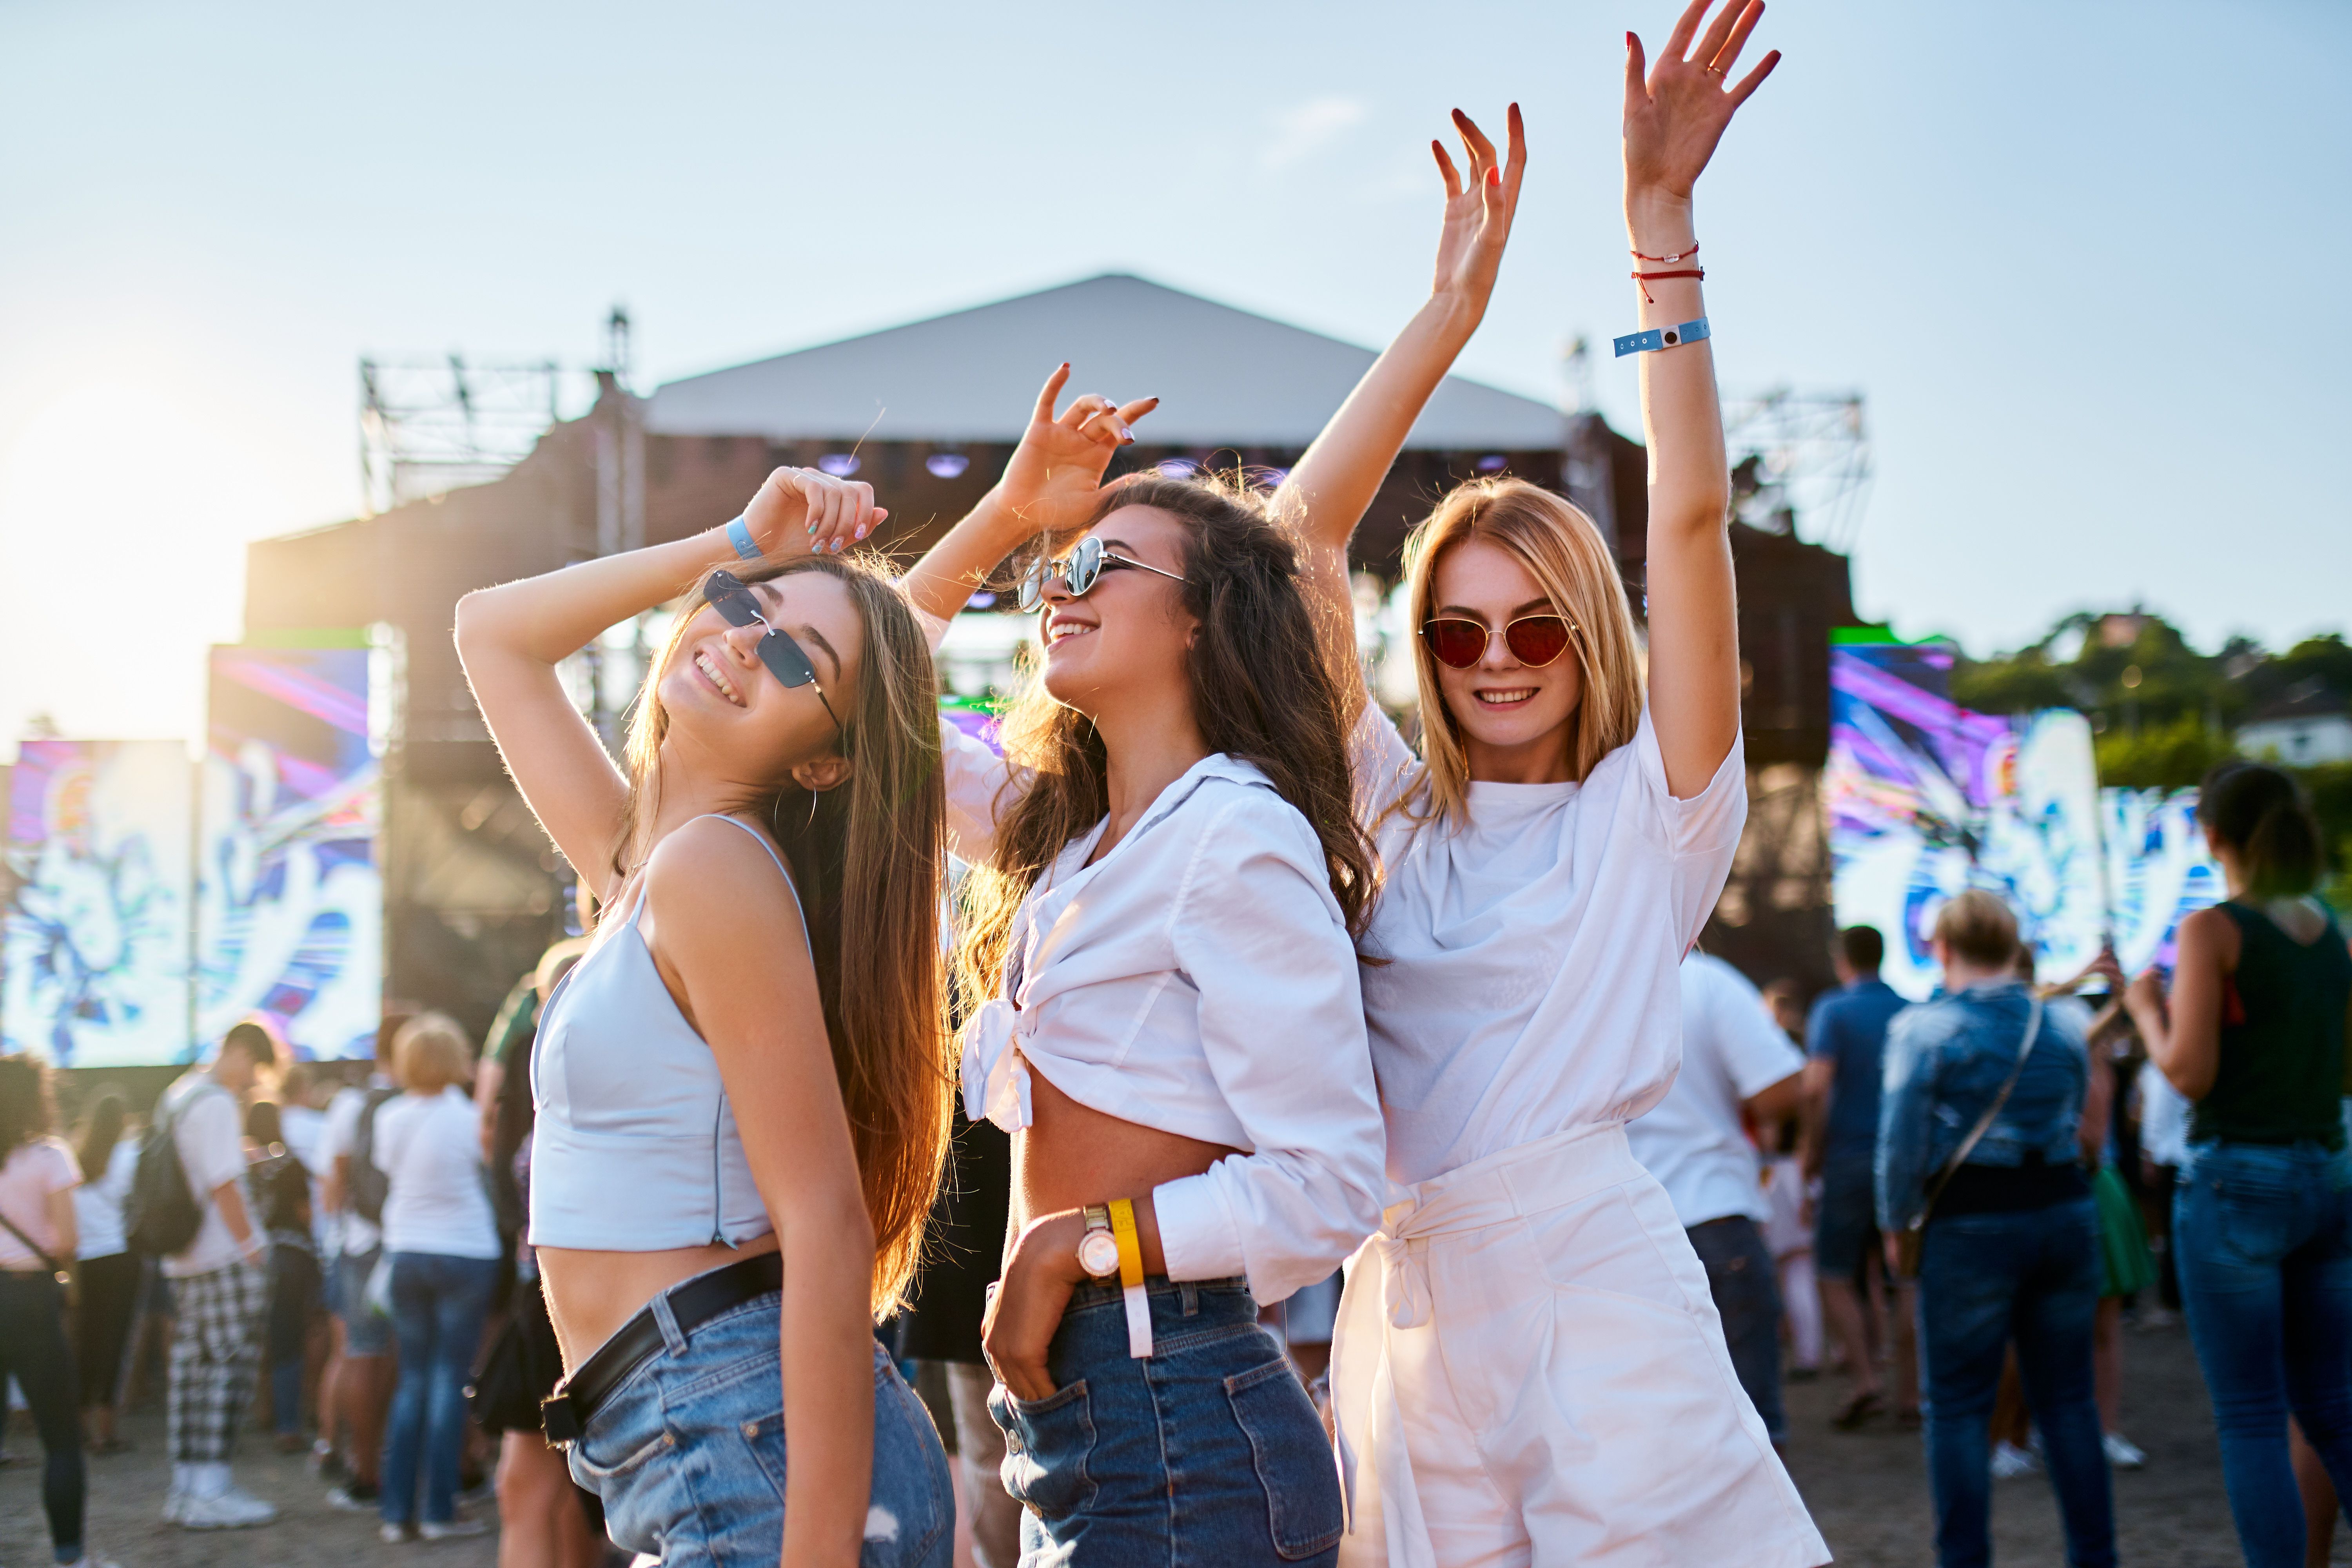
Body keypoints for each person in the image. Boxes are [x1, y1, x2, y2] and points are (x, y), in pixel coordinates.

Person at [1240, 7, 1820, 1561]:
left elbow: (1688, 528)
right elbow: (1294, 544)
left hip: (1594, 1282)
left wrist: (1661, 239)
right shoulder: (1385, 805)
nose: (1500, 655)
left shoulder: (1657, 808)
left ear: (1591, 634)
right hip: (1406, 1305)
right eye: (1458, 626)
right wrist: (1443, 318)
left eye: (1540, 622)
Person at [897, 351, 1386, 1559]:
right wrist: (1013, 509)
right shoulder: (1065, 837)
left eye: (1098, 566)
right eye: (1051, 572)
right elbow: (867, 686)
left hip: (1180, 1408)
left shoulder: (1238, 834)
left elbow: (1331, 1180)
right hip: (1100, 1409)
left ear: (1199, 618)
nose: (1056, 589)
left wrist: (1077, 1243)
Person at [458, 461, 956, 1566]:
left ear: (824, 758)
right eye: (745, 605)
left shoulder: (713, 872)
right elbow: (490, 633)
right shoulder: (647, 867)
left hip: (743, 1433)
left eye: (793, 658)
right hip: (693, 1428)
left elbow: (826, 1224)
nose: (740, 639)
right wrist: (727, 540)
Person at [2123, 760, 2352, 1568]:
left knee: (2253, 1413)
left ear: (2213, 836)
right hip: (2326, 1175)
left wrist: (2147, 1012)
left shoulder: (2212, 929)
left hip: (2235, 1183)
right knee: (2332, 1402)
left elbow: (2188, 1074)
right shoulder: (2330, 929)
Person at [1878, 891, 2113, 1567]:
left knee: (1956, 1408)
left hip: (1969, 1224)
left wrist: (1896, 1223)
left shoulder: (1924, 1030)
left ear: (1943, 950)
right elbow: (2080, 1114)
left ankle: (1965, 1559)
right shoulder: (2065, 1023)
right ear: (2012, 948)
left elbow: (1901, 1144)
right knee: (2069, 1403)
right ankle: (2097, 1557)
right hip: (2065, 1210)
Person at [1625, 952, 1808, 1448]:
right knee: (1750, 1433)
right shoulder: (1701, 979)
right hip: (1712, 1214)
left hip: (1611, 1228)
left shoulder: (1570, 975)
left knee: (1650, 1435)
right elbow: (1780, 1088)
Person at [370, 1012, 502, 1542]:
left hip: (406, 1250)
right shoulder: (470, 1116)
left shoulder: (389, 1118)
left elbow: (386, 1172)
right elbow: (485, 1169)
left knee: (413, 1380)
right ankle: (439, 1509)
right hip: (466, 1251)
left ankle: (395, 1511)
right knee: (452, 1380)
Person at [158, 1019, 283, 1530]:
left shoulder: (180, 1094)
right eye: (252, 1067)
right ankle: (212, 1488)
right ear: (236, 1052)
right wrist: (253, 1247)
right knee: (226, 1370)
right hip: (221, 1254)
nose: (251, 1080)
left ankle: (190, 1485)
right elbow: (223, 1184)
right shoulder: (214, 1103)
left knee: (193, 1368)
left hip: (184, 1254)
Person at [0, 1053, 118, 1568]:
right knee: (60, 1439)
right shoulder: (51, 1156)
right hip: (31, 1299)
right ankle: (70, 1558)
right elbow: (69, 1239)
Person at [1804, 923, 1916, 1428]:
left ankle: (1867, 1378)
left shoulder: (1833, 1010)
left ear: (1842, 958)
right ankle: (1911, 1393)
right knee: (1906, 1276)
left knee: (1833, 1273)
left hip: (1848, 1157)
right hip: (1904, 1159)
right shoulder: (1910, 1010)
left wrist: (1811, 1153)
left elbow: (1815, 1089)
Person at [317, 1020, 403, 1508]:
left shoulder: (352, 1104)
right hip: (413, 1241)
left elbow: (335, 1182)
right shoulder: (430, 1100)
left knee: (361, 1354)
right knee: (408, 1361)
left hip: (361, 1242)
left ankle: (362, 1469)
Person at [241, 1098, 317, 1454]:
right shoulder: (291, 1163)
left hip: (250, 1258)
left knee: (257, 1338)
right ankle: (289, 1425)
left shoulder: (244, 1166)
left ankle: (260, 1410)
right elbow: (306, 1213)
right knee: (290, 1339)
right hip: (291, 1255)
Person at [70, 1089, 141, 1455]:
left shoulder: (75, 1157)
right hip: (121, 1256)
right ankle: (107, 1429)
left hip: (85, 1259)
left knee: (87, 1339)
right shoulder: (129, 1155)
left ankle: (81, 1424)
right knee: (117, 1339)